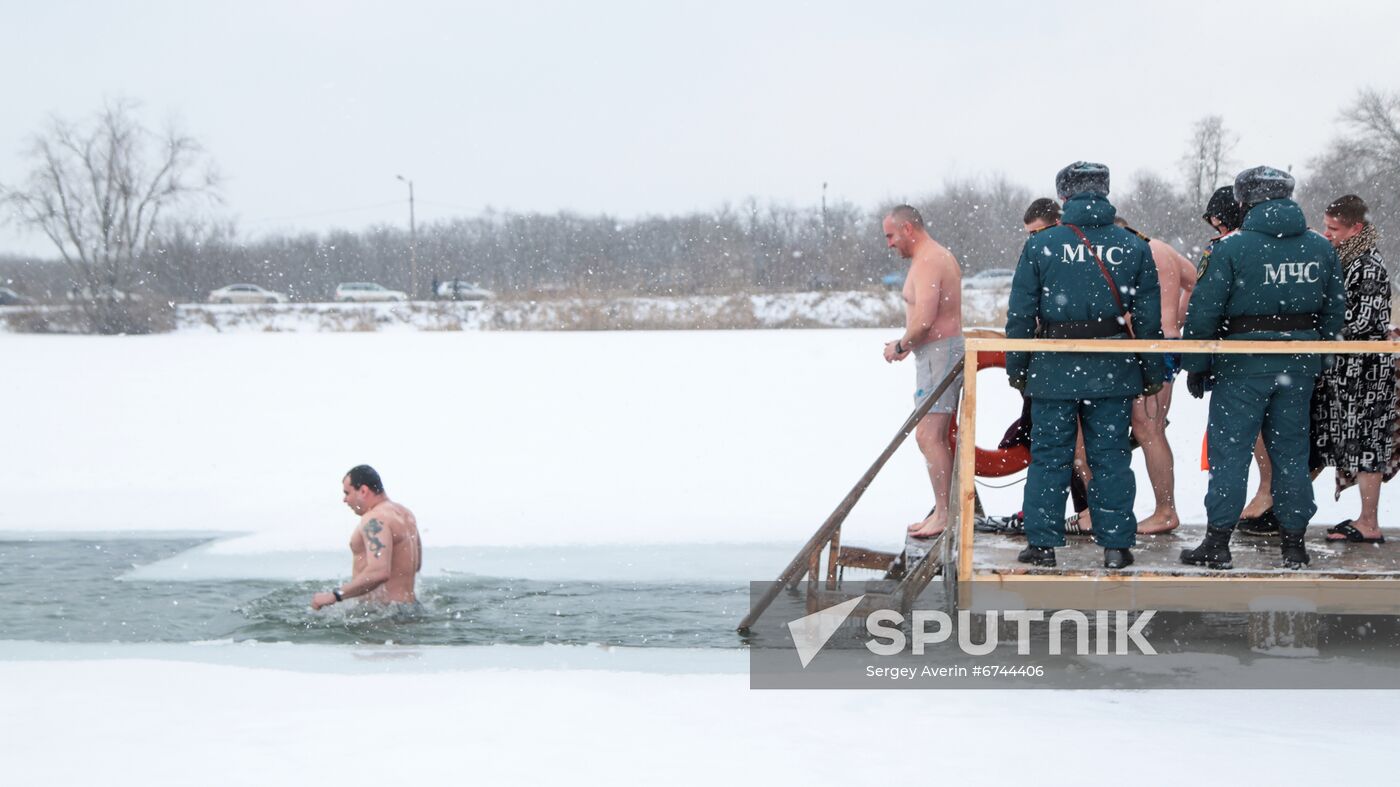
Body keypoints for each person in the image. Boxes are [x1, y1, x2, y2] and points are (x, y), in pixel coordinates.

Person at [1180, 167, 1345, 570]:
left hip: (1242, 366)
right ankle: (1294, 544)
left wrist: (1197, 364)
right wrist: (1316, 357)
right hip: (1298, 367)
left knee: (1230, 454)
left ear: (1246, 202)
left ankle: (1218, 543)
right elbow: (1334, 310)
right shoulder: (1319, 247)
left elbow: (1204, 312)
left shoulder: (1231, 248)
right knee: (1291, 454)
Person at [1006, 162, 1165, 570]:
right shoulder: (1133, 244)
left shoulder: (1042, 244)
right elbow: (1148, 321)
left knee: (1050, 457)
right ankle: (1116, 546)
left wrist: (1018, 367)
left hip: (1054, 367)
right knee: (1110, 457)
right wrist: (1150, 372)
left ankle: (1042, 544)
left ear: (1064, 197)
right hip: (1112, 367)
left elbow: (1021, 314)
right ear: (1105, 193)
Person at [1312, 195, 1396, 544]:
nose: (1326, 233)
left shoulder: (1368, 265)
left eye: (1334, 228)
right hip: (1346, 371)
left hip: (1367, 373)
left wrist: (1318, 324)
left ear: (1355, 228)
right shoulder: (1346, 258)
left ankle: (1368, 521)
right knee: (1344, 442)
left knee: (1367, 445)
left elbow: (1364, 320)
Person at [881, 204, 964, 539]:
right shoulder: (928, 258)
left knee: (928, 435)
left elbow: (926, 319)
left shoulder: (931, 259)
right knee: (930, 436)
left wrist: (900, 346)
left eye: (891, 235)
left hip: (940, 353)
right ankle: (942, 511)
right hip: (933, 353)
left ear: (908, 230)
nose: (889, 244)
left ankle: (944, 514)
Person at [1111, 215, 1197, 534]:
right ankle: (1164, 508)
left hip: (1147, 345)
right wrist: (1176, 316)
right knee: (1153, 429)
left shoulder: (1130, 252)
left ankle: (1165, 510)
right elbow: (1196, 283)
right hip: (1169, 343)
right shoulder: (1162, 248)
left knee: (1147, 429)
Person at [311, 464, 423, 609]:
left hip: (384, 616)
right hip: (410, 609)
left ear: (363, 491)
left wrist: (334, 595)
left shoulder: (374, 519)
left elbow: (379, 572)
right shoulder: (406, 514)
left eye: (347, 493)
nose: (345, 500)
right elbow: (416, 564)